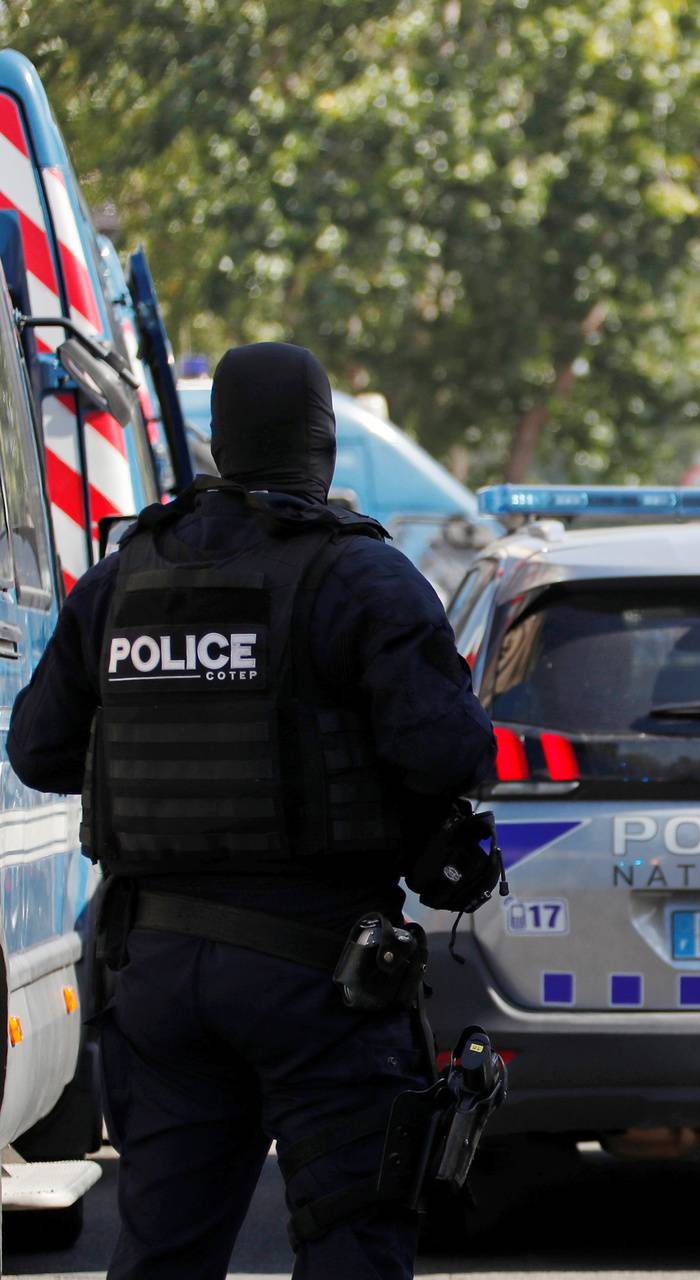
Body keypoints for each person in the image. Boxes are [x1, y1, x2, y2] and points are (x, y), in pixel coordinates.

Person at [7, 344, 496, 1277]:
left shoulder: (125, 574)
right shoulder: (360, 577)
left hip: (154, 965)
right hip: (320, 970)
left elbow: (37, 749)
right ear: (321, 447)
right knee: (353, 1233)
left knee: (163, 1250)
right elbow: (449, 754)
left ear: (221, 445)